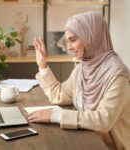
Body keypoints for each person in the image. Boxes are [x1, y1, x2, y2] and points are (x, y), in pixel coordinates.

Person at [27, 11, 130, 150]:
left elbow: (103, 120)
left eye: (73, 40)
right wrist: (42, 65)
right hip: (85, 139)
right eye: (68, 41)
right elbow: (59, 95)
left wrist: (55, 116)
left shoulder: (117, 76)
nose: (69, 47)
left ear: (91, 37)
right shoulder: (83, 69)